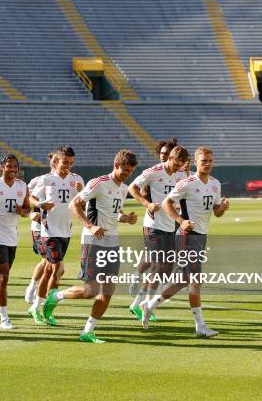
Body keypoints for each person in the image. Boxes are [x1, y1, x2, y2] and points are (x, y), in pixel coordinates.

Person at [42, 150, 138, 343]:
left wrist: (125, 217)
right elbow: (74, 205)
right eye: (125, 170)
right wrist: (90, 226)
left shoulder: (123, 188)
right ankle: (56, 295)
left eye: (131, 171)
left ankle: (87, 331)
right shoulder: (98, 183)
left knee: (108, 290)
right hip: (93, 242)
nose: (127, 174)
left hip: (112, 243)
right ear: (116, 165)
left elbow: (113, 212)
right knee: (91, 291)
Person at [142, 147, 229, 338]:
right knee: (195, 282)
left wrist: (222, 207)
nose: (207, 164)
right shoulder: (187, 183)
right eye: (204, 161)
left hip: (201, 236)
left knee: (182, 280)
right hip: (186, 236)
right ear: (195, 163)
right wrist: (181, 221)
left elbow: (216, 211)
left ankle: (150, 305)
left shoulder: (215, 184)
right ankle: (200, 326)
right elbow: (166, 203)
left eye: (210, 161)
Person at [127, 146, 189, 322]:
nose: (178, 167)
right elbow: (132, 188)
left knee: (166, 269)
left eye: (181, 164)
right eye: (176, 163)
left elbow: (180, 198)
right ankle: (146, 305)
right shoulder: (153, 171)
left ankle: (137, 303)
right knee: (159, 266)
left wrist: (179, 209)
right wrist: (147, 204)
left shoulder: (182, 175)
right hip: (153, 225)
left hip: (170, 226)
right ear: (169, 158)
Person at [28, 146, 84, 326]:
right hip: (48, 231)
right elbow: (31, 199)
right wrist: (41, 204)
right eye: (65, 162)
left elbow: (81, 204)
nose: (68, 166)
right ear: (57, 161)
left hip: (65, 231)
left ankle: (37, 306)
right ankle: (46, 307)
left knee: (51, 270)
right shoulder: (46, 180)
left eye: (71, 163)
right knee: (57, 267)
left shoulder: (77, 180)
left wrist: (82, 192)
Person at [0, 154, 30, 329]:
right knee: (3, 276)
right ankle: (4, 318)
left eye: (15, 167)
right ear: (2, 167)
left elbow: (27, 210)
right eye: (9, 166)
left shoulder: (22, 186)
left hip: (12, 236)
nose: (12, 169)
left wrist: (22, 211)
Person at [23, 153, 55, 305]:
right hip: (39, 227)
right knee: (48, 261)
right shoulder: (39, 180)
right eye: (54, 160)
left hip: (59, 229)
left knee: (53, 265)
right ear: (50, 161)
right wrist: (30, 212)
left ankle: (36, 288)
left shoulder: (71, 180)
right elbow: (24, 198)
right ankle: (36, 291)